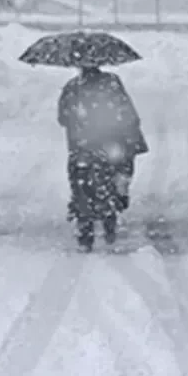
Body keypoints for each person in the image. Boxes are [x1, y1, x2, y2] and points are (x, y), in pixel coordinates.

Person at [57, 63, 148, 251]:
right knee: (113, 177)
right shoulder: (112, 83)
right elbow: (127, 112)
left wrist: (78, 122)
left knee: (80, 184)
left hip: (82, 146)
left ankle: (84, 228)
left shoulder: (72, 87)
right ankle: (111, 215)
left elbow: (63, 118)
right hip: (109, 143)